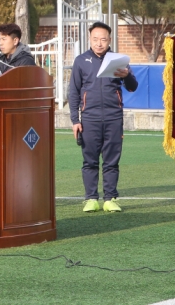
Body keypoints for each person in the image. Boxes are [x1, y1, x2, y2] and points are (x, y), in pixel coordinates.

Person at [69, 21, 138, 213]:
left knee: (111, 160)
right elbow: (73, 92)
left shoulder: (118, 60)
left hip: (113, 117)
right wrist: (75, 120)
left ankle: (110, 198)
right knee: (89, 160)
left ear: (110, 40)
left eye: (103, 39)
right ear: (89, 39)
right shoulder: (81, 61)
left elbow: (133, 87)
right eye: (95, 39)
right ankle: (91, 198)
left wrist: (126, 76)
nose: (99, 43)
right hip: (89, 118)